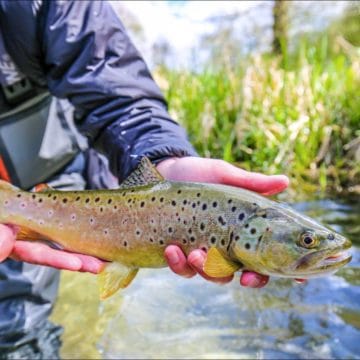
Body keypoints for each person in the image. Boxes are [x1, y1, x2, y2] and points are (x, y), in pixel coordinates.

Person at [0, 1, 290, 358]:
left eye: (305, 241)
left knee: (18, 335)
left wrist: (161, 158)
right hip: (35, 197)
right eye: (305, 241)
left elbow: (119, 97)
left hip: (45, 185)